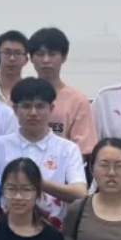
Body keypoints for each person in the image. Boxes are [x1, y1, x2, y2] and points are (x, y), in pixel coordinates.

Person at [0, 79, 87, 231]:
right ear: (15, 109)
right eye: (26, 106)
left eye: (40, 106)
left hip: (53, 230)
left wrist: (36, 183)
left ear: (51, 109)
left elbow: (80, 193)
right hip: (6, 227)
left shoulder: (68, 149)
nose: (33, 113)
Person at [27, 28, 97, 158]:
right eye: (40, 54)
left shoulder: (77, 100)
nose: (46, 60)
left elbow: (84, 149)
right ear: (31, 57)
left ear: (64, 57)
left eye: (52, 54)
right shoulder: (19, 96)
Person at [0, 30, 30, 106]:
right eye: (7, 53)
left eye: (18, 53)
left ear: (26, 60)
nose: (12, 58)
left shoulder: (32, 92)